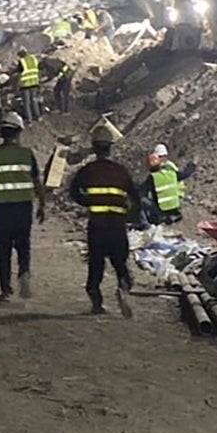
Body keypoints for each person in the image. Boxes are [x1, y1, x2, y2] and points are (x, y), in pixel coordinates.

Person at [68, 119, 138, 316]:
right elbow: (135, 198)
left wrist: (88, 202)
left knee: (96, 265)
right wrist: (129, 216)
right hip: (117, 226)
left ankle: (97, 304)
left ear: (94, 147)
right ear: (110, 147)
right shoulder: (121, 171)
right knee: (120, 264)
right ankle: (123, 287)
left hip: (97, 226)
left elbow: (74, 192)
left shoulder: (87, 171)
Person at [0, 111, 47, 301]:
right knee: (24, 245)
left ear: (2, 133)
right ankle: (24, 272)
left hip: (2, 209)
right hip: (23, 208)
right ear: (19, 132)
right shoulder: (27, 154)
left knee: (3, 250)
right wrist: (42, 204)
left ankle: (5, 290)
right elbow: (37, 182)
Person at [142, 143, 185, 226]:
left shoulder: (156, 175)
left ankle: (144, 224)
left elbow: (143, 190)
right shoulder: (171, 170)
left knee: (142, 199)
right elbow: (182, 175)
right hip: (175, 200)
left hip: (167, 202)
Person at [15, 51, 42, 123]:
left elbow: (19, 74)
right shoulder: (34, 59)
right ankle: (38, 116)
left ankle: (29, 119)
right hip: (34, 83)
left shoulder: (22, 61)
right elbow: (38, 71)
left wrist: (17, 85)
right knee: (34, 100)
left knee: (26, 102)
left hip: (25, 85)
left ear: (20, 55)